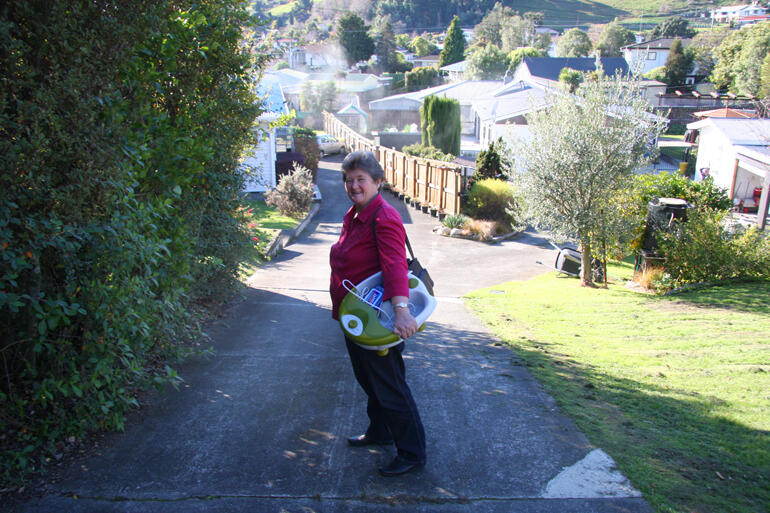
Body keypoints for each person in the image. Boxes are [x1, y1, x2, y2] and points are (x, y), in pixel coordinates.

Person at [329, 151, 426, 477]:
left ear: (378, 182)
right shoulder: (356, 214)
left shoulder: (383, 217)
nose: (354, 186)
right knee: (370, 381)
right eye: (349, 180)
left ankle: (412, 453)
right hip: (357, 318)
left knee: (389, 387)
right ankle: (380, 432)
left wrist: (401, 312)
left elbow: (395, 266)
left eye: (361, 179)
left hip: (378, 320)